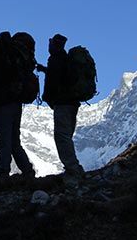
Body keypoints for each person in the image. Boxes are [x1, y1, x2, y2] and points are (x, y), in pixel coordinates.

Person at [0, 32, 36, 178]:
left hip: (2, 104)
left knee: (3, 141)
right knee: (14, 141)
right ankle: (28, 171)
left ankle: (3, 172)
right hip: (16, 103)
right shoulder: (12, 59)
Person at [36, 34, 85, 177]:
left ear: (54, 45)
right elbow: (60, 76)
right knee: (66, 135)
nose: (49, 46)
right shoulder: (65, 59)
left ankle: (72, 169)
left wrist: (48, 97)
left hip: (62, 104)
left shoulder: (56, 59)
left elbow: (55, 80)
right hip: (72, 103)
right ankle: (73, 167)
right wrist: (45, 69)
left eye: (50, 43)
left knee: (61, 135)